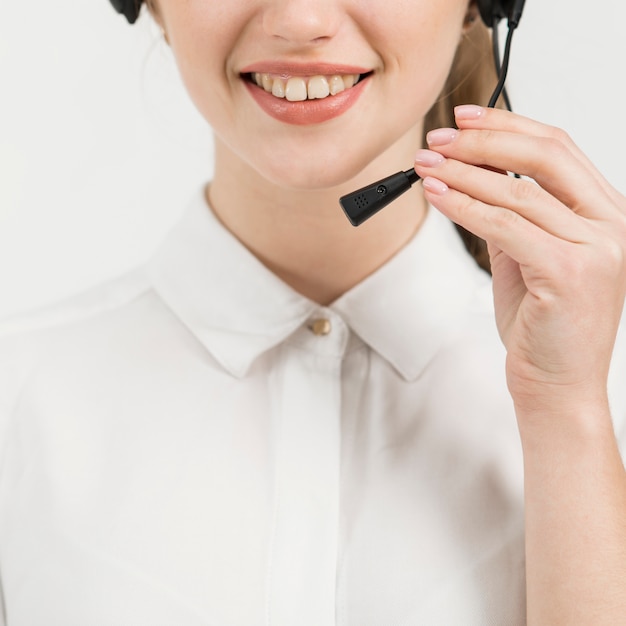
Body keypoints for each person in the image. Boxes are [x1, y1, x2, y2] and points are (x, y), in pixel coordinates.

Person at [0, 0, 625, 624]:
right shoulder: (17, 403)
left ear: (480, 5)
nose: (301, 20)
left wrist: (567, 418)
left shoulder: (598, 411)